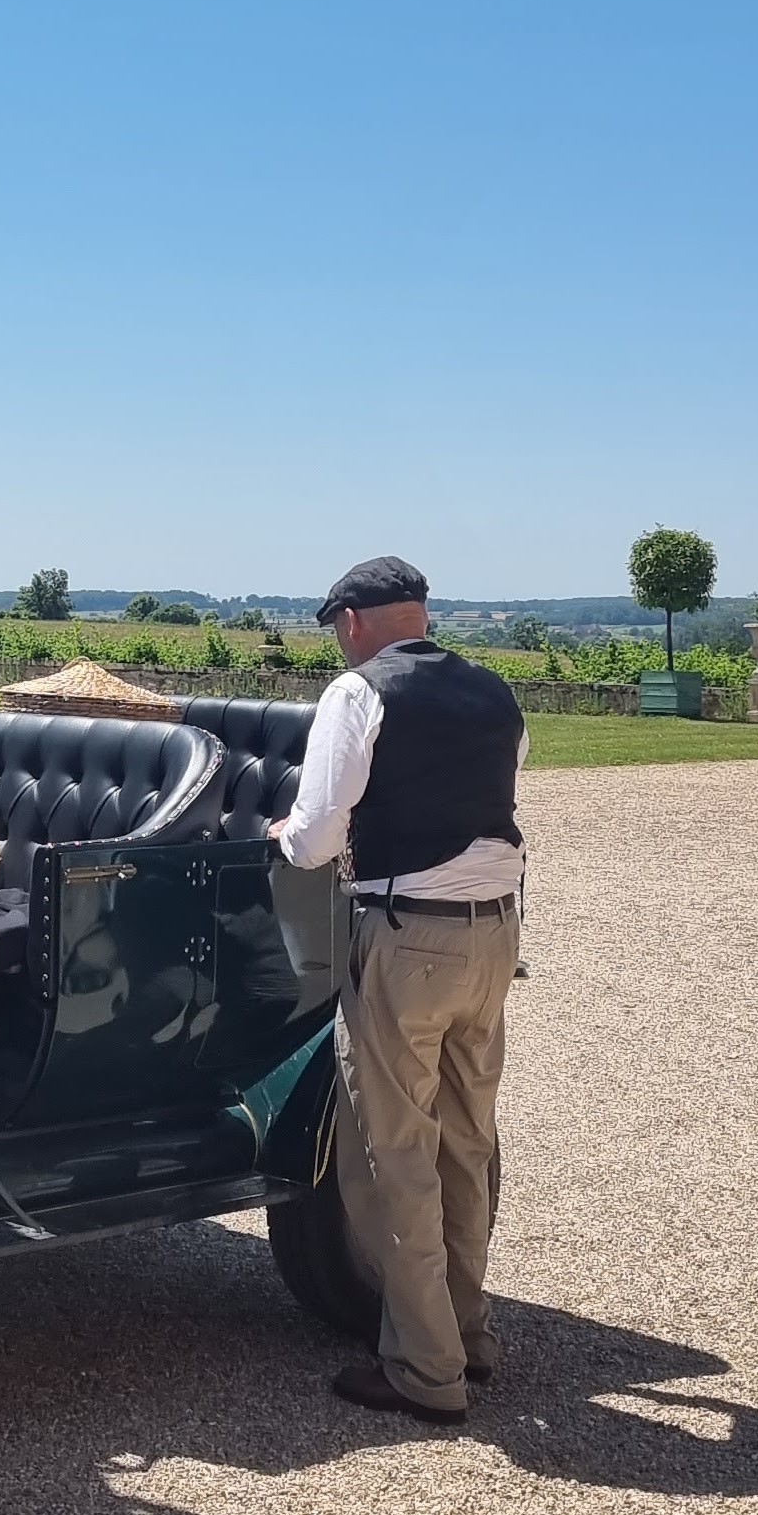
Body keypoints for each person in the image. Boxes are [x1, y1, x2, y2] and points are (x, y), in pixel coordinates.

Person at [267, 554, 526, 1426]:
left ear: (352, 621)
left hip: (408, 934)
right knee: (467, 1140)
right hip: (496, 929)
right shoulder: (495, 692)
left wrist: (280, 831)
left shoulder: (358, 694)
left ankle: (424, 1368)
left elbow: (312, 839)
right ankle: (471, 1335)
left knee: (395, 1152)